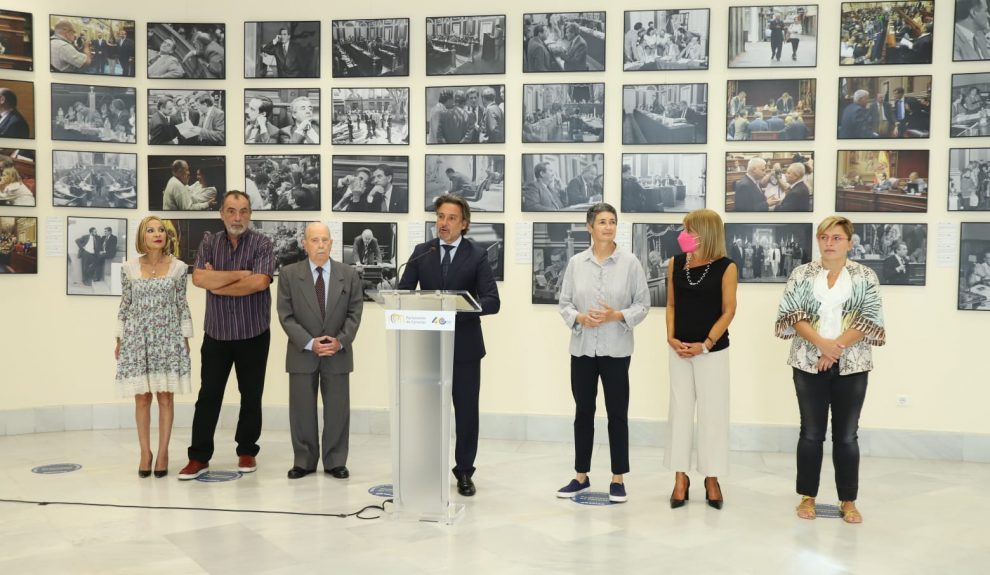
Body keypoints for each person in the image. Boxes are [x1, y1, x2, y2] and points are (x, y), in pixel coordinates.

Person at [775, 215, 886, 524]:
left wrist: (834, 348)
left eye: (837, 238)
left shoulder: (865, 276)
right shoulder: (802, 274)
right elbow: (793, 313)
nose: (829, 243)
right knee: (810, 433)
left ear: (850, 243)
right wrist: (822, 345)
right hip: (807, 363)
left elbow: (869, 318)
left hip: (853, 365)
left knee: (847, 436)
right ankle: (807, 497)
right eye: (824, 237)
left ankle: (848, 501)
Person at [397, 194, 500, 496]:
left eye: (451, 218)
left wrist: (460, 305)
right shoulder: (421, 252)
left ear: (464, 223)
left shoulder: (477, 255)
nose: (443, 223)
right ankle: (426, 467)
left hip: (465, 348)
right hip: (427, 347)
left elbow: (493, 302)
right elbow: (403, 294)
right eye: (440, 216)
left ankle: (464, 472)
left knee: (466, 413)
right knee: (427, 412)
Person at [555, 203, 650, 503]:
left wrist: (617, 315)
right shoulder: (576, 263)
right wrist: (580, 318)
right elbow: (564, 303)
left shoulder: (630, 263)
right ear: (590, 227)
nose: (608, 227)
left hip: (617, 350)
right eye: (602, 222)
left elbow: (643, 305)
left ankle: (618, 477)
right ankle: (580, 476)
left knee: (617, 414)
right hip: (582, 349)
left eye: (612, 222)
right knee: (583, 413)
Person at [179, 191, 276, 480]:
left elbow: (259, 282)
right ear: (222, 213)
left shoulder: (263, 243)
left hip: (253, 333)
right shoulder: (209, 242)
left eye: (243, 211)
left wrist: (217, 282)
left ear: (250, 214)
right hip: (217, 334)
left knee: (251, 396)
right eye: (231, 211)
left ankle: (246, 451)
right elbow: (198, 278)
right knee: (208, 396)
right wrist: (240, 274)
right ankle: (198, 457)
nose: (237, 217)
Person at [276, 223, 364, 480]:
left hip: (337, 353)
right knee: (301, 409)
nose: (321, 245)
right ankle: (303, 460)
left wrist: (340, 341)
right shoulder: (290, 274)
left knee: (337, 409)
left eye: (325, 240)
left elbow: (355, 313)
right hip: (302, 353)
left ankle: (336, 460)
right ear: (305, 243)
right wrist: (309, 342)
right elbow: (286, 315)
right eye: (315, 240)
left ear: (332, 243)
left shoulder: (348, 274)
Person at [665, 209, 737, 510]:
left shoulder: (726, 266)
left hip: (712, 352)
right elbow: (670, 304)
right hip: (678, 349)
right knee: (680, 412)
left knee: (712, 414)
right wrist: (670, 337)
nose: (682, 234)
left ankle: (712, 477)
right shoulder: (676, 263)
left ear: (704, 233)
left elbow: (728, 310)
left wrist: (705, 344)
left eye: (687, 229)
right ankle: (680, 477)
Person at [115, 216, 193, 478]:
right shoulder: (128, 268)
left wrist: (185, 338)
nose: (157, 234)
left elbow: (182, 304)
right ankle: (144, 452)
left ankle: (163, 452)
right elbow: (125, 304)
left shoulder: (179, 268)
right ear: (142, 236)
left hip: (168, 337)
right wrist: (119, 339)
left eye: (161, 230)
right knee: (142, 397)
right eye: (151, 230)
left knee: (165, 397)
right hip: (138, 338)